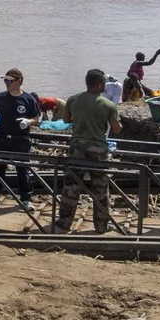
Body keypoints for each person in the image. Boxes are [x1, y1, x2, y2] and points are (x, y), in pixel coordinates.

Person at [55, 69, 120, 233]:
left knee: (71, 187)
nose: (104, 86)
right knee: (100, 189)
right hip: (98, 149)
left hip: (77, 147)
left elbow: (66, 120)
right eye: (103, 83)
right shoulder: (108, 105)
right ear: (99, 84)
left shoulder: (73, 99)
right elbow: (117, 129)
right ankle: (101, 226)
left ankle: (64, 223)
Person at [0, 68, 41, 212]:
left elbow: (36, 118)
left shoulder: (28, 99)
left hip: (21, 139)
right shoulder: (1, 97)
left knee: (23, 169)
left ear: (19, 81)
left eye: (10, 81)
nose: (7, 83)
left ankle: (26, 198)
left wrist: (28, 122)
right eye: (5, 81)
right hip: (2, 138)